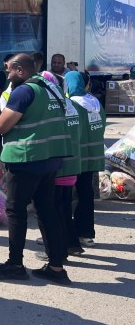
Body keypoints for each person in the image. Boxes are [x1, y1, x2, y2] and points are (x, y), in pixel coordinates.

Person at [0, 54, 72, 285]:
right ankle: (56, 267)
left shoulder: (23, 91)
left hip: (26, 159)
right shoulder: (51, 88)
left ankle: (15, 265)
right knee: (46, 210)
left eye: (9, 70)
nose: (7, 75)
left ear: (20, 70)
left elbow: (1, 127)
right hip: (50, 159)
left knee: (16, 211)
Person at [35, 71, 83, 264]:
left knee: (53, 210)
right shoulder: (71, 104)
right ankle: (72, 244)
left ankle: (56, 250)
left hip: (57, 165)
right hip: (72, 164)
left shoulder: (52, 106)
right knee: (64, 208)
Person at [67, 71, 106, 249]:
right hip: (93, 156)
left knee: (70, 197)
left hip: (76, 158)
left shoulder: (72, 105)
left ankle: (68, 235)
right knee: (86, 194)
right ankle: (87, 234)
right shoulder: (94, 102)